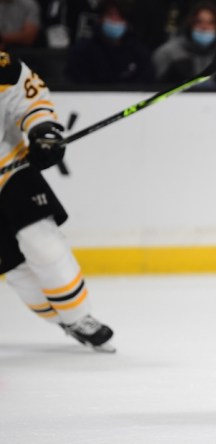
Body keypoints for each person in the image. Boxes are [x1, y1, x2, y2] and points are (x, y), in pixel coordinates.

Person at [0, 51, 115, 352]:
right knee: (14, 270)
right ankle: (64, 321)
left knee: (43, 244)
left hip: (9, 167)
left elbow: (28, 98)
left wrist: (42, 130)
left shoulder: (2, 65)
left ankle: (79, 317)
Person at [153, 1, 216, 88]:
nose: (204, 27)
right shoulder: (168, 53)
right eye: (199, 22)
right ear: (190, 24)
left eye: (210, 22)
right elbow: (151, 87)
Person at [64, 0, 155, 85]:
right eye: (110, 15)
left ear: (126, 22)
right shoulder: (82, 51)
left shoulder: (139, 53)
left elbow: (146, 84)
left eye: (120, 16)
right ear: (100, 19)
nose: (114, 21)